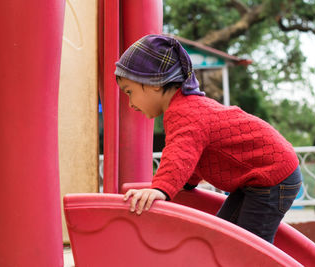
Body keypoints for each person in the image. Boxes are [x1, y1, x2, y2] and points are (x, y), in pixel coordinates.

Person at [116, 34, 302, 243]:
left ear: (154, 83)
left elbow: (180, 154)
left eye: (130, 92)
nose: (130, 103)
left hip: (272, 176)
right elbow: (196, 154)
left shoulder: (184, 112)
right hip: (258, 178)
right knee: (221, 239)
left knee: (247, 248)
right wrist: (184, 183)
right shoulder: (187, 107)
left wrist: (161, 188)